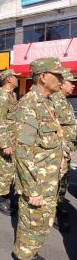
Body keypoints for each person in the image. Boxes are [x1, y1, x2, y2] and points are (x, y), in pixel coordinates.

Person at [13, 58, 65, 260]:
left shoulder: (48, 102)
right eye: (58, 75)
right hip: (36, 182)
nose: (62, 80)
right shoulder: (28, 105)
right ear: (43, 76)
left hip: (49, 179)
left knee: (43, 225)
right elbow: (23, 152)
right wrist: (32, 188)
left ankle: (32, 254)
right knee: (31, 224)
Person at [51, 70, 77, 232]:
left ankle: (58, 207)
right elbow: (53, 130)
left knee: (62, 183)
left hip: (66, 151)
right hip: (58, 153)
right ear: (61, 84)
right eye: (71, 82)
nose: (73, 85)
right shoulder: (55, 102)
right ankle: (51, 214)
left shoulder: (64, 101)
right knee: (53, 184)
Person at [0, 69, 20, 215]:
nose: (17, 79)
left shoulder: (12, 95)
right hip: (5, 142)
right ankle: (0, 200)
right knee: (3, 171)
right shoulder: (2, 96)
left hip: (12, 139)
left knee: (10, 171)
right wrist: (5, 144)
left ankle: (7, 198)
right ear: (9, 79)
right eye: (15, 77)